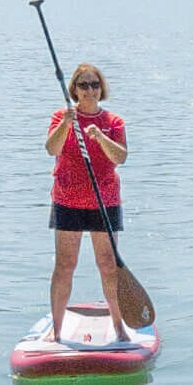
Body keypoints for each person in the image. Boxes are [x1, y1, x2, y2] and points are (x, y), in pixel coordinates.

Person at [42, 62, 131, 344]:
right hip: (68, 199)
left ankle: (119, 327)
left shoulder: (114, 121)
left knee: (107, 264)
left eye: (94, 85)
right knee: (65, 264)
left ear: (101, 88)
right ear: (75, 90)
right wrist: (68, 124)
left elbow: (120, 157)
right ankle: (55, 331)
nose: (90, 90)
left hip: (104, 201)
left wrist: (100, 136)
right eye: (84, 85)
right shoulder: (61, 117)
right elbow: (51, 149)